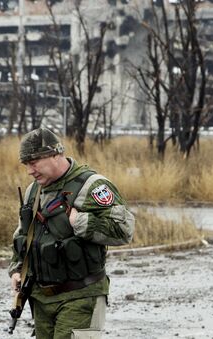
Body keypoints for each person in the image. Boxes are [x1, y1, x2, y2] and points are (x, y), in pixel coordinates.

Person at [9, 127, 135, 339]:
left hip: (81, 296)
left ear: (56, 154)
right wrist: (17, 269)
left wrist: (82, 222)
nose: (30, 170)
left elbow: (124, 230)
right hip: (42, 299)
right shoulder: (34, 190)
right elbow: (24, 235)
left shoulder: (92, 186)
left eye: (34, 162)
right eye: (26, 164)